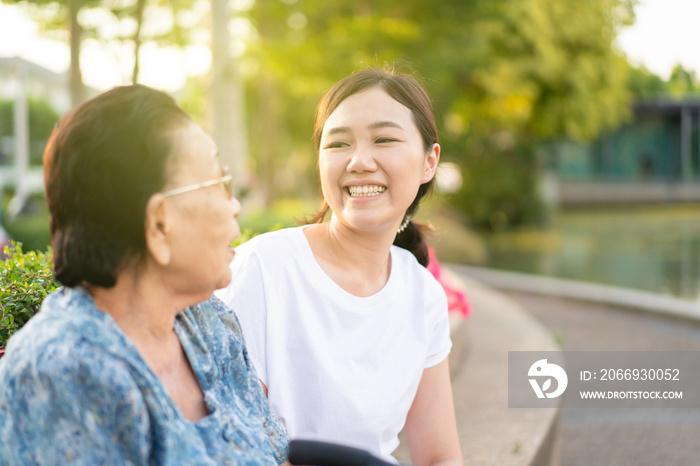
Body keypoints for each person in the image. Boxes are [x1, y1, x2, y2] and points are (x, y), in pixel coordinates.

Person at [0, 85, 289, 464]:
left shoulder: (207, 320)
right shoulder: (61, 372)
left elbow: (276, 455)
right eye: (219, 181)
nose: (234, 205)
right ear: (158, 225)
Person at [217, 67, 463, 465]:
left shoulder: (423, 294)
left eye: (384, 139)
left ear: (428, 162)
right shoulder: (265, 269)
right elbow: (238, 447)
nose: (359, 161)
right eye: (337, 144)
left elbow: (440, 457)